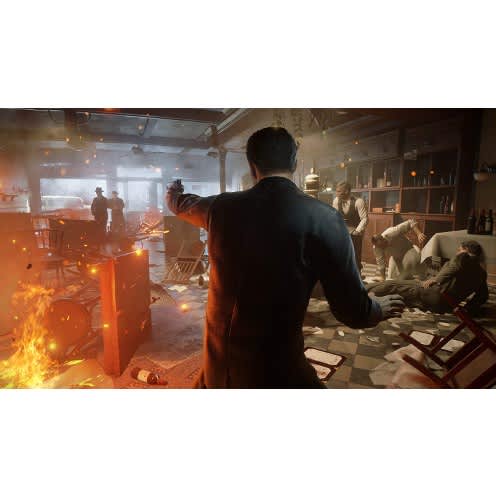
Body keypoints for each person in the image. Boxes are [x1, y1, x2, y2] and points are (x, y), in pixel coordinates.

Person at [166, 127, 404, 388]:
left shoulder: (219, 207)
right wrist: (377, 308)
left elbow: (181, 203)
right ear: (295, 163)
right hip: (276, 370)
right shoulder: (325, 218)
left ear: (252, 166)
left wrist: (173, 191)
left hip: (218, 368)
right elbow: (352, 311)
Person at [366, 240, 488, 315]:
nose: (457, 252)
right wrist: (467, 309)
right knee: (404, 291)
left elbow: (451, 268)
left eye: (459, 250)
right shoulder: (482, 273)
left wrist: (436, 279)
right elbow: (482, 296)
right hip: (445, 306)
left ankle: (361, 290)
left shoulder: (462, 258)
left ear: (465, 251)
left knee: (392, 284)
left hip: (434, 293)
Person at [332, 181, 368, 274]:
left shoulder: (358, 202)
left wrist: (357, 231)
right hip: (342, 232)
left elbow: (364, 218)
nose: (336, 193)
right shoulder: (336, 200)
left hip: (355, 233)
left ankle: (357, 276)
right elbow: (335, 216)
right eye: (336, 191)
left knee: (355, 256)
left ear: (347, 191)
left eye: (339, 191)